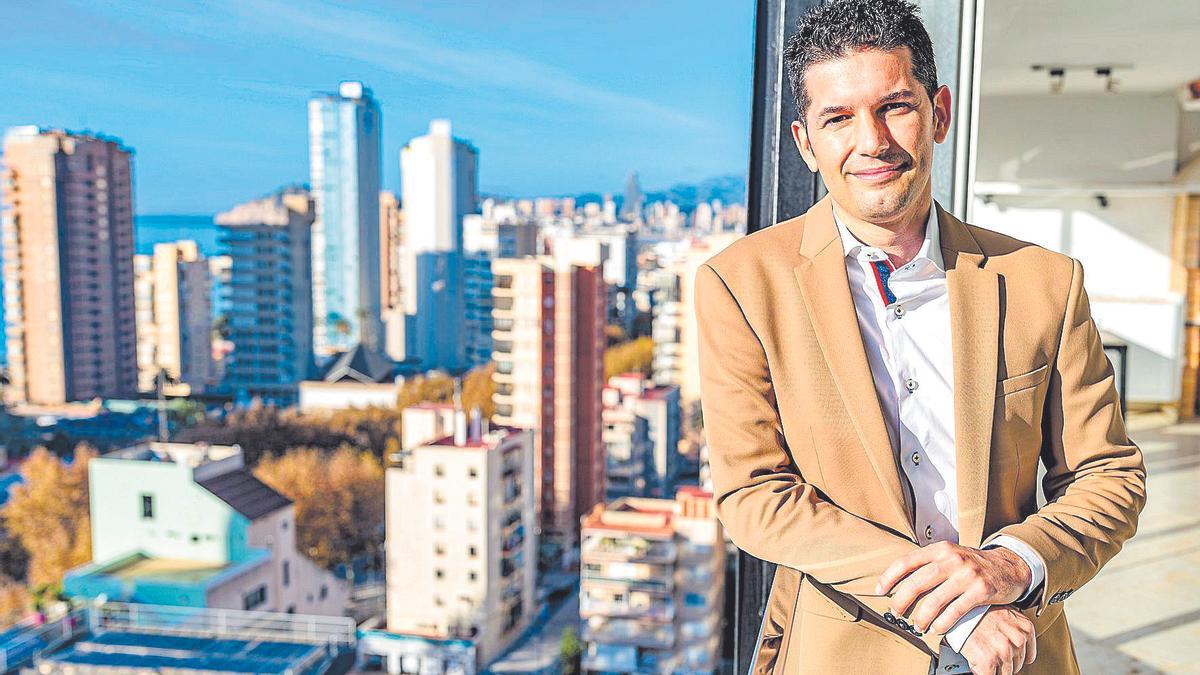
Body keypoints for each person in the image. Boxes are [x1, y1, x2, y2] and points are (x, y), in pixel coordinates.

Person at [693, 0, 1146, 673]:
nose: (871, 141)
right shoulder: (739, 284)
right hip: (843, 649)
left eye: (894, 107)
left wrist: (1010, 566)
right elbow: (756, 495)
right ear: (805, 143)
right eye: (837, 119)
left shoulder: (1046, 283)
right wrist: (958, 607)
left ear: (940, 113)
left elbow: (1108, 474)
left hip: (1017, 644)